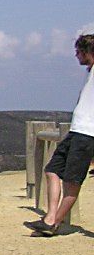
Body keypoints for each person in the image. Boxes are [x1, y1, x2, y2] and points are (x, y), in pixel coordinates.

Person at [26, 32, 94, 236]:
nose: (76, 56)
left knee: (72, 181)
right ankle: (51, 217)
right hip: (77, 130)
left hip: (88, 133)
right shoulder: (90, 71)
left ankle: (54, 222)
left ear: (87, 51)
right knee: (52, 170)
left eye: (78, 52)